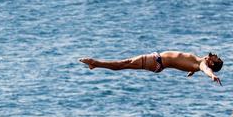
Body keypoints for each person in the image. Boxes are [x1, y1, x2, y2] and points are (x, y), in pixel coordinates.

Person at [79, 51, 223, 85]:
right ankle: (95, 65)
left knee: (124, 63)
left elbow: (205, 69)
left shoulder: (202, 65)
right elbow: (193, 66)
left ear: (211, 63)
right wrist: (191, 71)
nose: (214, 54)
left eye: (215, 57)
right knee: (124, 65)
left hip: (156, 61)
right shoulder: (197, 63)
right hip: (157, 62)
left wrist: (212, 76)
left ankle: (95, 63)